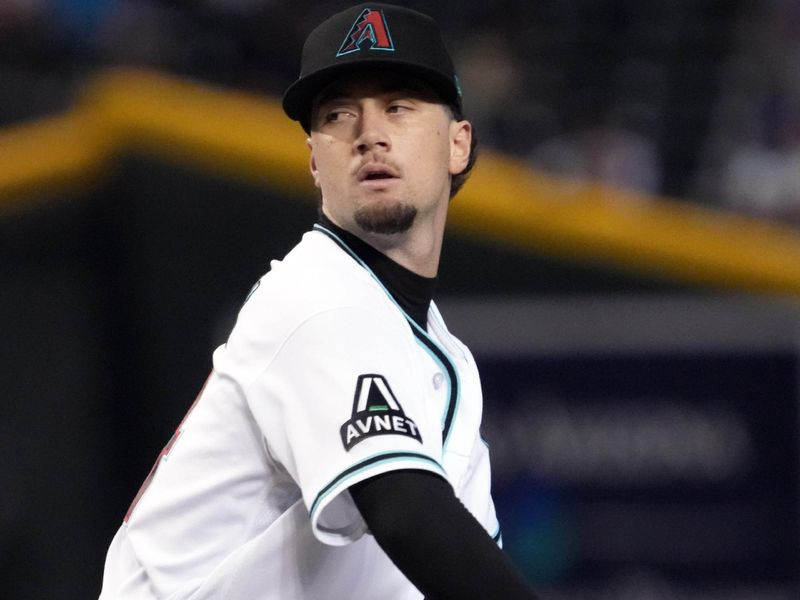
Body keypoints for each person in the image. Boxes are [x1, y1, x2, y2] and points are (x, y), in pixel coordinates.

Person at [99, 4, 539, 599]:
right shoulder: (317, 294)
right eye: (338, 114)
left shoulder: (443, 355)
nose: (369, 133)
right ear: (313, 160)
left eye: (400, 107)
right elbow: (407, 513)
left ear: (459, 144)